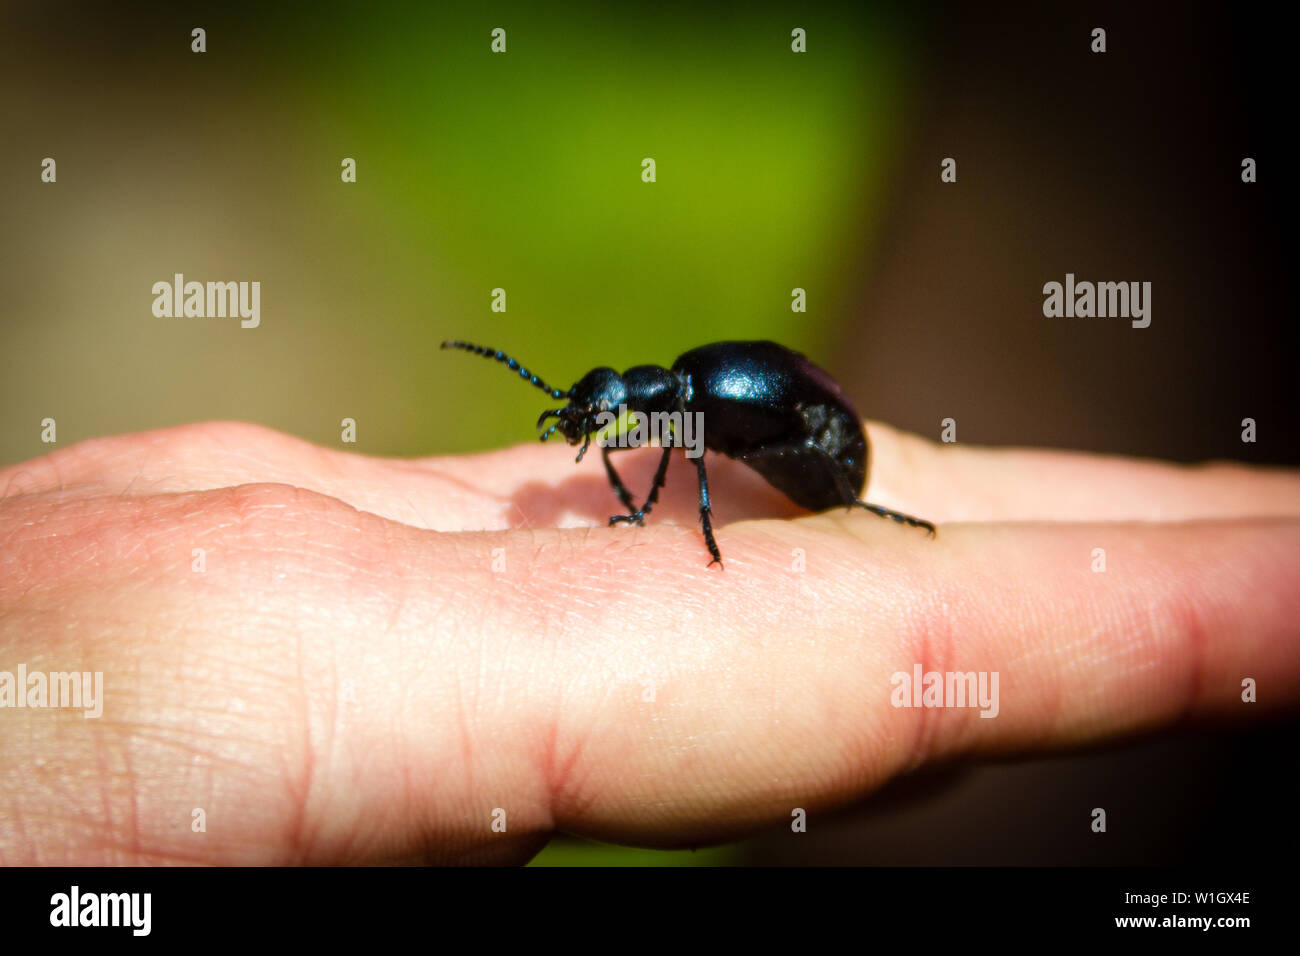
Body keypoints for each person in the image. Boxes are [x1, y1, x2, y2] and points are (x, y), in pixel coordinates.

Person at [1, 420, 1296, 864]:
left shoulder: (684, 424)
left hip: (809, 439)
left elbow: (735, 453)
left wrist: (704, 528)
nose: (600, 441)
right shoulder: (668, 422)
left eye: (604, 424)